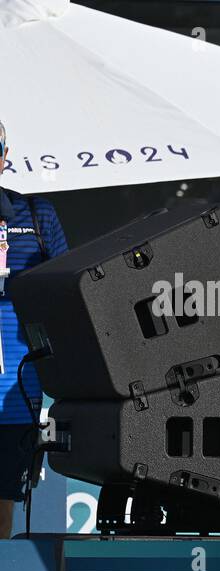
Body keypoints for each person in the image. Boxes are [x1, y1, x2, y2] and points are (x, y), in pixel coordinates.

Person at [0, 119, 68, 538]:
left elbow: (67, 293)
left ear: (4, 157)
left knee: (2, 506)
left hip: (14, 395)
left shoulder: (36, 215)